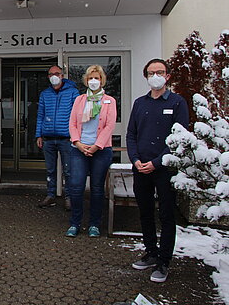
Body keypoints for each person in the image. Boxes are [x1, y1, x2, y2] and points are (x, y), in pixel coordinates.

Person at [127, 58, 189, 283]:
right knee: (145, 212)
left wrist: (157, 162)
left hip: (164, 169)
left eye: (160, 72)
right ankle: (151, 253)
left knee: (166, 214)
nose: (156, 76)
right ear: (146, 76)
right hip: (140, 167)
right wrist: (135, 160)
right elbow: (131, 134)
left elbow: (178, 139)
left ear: (168, 76)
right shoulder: (140, 103)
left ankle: (164, 261)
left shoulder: (177, 102)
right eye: (151, 72)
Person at [66, 65, 116, 239]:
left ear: (102, 80)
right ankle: (75, 223)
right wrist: (78, 143)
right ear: (86, 81)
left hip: (101, 150)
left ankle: (94, 224)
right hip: (79, 149)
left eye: (97, 78)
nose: (93, 81)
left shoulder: (109, 101)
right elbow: (72, 123)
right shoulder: (79, 100)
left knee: (96, 189)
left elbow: (110, 126)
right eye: (90, 78)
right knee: (76, 187)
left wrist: (96, 146)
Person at [35, 65, 79, 210]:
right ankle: (50, 196)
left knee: (68, 170)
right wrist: (38, 135)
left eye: (57, 73)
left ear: (62, 75)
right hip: (48, 138)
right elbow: (40, 115)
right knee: (50, 170)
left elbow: (77, 116)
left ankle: (69, 198)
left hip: (66, 139)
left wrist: (76, 136)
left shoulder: (73, 92)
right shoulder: (44, 94)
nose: (54, 76)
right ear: (48, 77)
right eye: (51, 74)